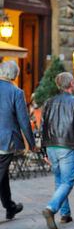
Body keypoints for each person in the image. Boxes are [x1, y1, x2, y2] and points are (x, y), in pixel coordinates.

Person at [41, 72, 74, 229]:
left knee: (60, 180)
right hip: (67, 145)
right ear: (71, 84)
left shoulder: (48, 103)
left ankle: (65, 213)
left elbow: (42, 127)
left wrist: (44, 150)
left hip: (52, 145)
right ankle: (52, 208)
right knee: (67, 181)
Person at [0, 60, 35, 220]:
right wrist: (32, 143)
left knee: (3, 173)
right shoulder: (16, 92)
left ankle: (10, 207)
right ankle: (10, 206)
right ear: (15, 75)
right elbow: (23, 120)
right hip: (5, 142)